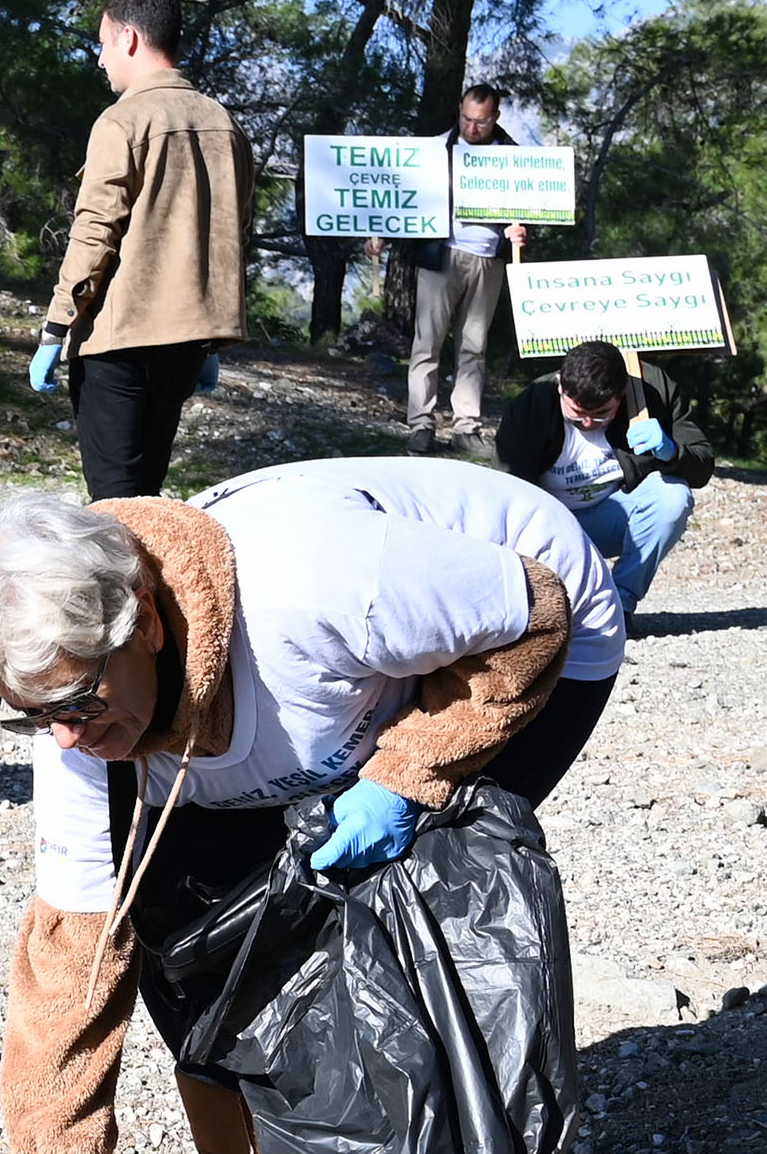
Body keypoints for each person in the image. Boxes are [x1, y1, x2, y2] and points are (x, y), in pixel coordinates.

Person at [0, 478, 573, 1154]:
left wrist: (411, 769)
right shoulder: (77, 728)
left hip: (511, 648)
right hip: (292, 713)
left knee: (379, 929)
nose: (68, 739)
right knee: (180, 910)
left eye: (79, 704)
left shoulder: (320, 587)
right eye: (34, 716)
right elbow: (77, 955)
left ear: (147, 625)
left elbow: (534, 611)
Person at [201, 454, 627, 803]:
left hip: (534, 599)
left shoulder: (330, 588)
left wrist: (406, 774)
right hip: (391, 628)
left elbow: (539, 609)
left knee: (448, 845)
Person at [30, 0, 252, 509]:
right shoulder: (225, 124)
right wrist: (208, 340)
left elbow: (93, 233)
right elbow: (230, 234)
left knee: (115, 508)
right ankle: (156, 588)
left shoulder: (122, 121)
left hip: (118, 341)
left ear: (129, 38)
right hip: (185, 344)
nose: (101, 60)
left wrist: (56, 327)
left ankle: (132, 594)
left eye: (103, 44)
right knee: (148, 500)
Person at [493, 335, 716, 616]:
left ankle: (619, 605)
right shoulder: (532, 404)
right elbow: (506, 492)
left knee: (673, 497)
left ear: (621, 394)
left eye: (601, 414)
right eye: (577, 413)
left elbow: (703, 464)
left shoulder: (651, 391)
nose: (587, 423)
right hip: (549, 527)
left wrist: (671, 452)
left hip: (611, 518)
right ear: (561, 385)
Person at [393, 84, 527, 438]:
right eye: (466, 119)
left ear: (495, 118)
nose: (472, 128)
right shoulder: (434, 149)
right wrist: (377, 232)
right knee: (427, 342)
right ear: (459, 111)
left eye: (480, 122)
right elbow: (400, 195)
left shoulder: (514, 156)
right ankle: (421, 423)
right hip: (441, 254)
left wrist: (521, 231)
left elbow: (531, 209)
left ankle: (466, 426)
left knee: (474, 347)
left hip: (488, 259)